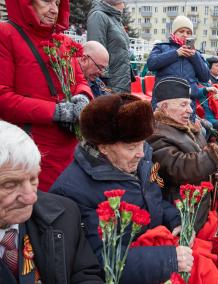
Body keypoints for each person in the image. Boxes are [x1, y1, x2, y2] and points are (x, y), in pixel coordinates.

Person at [50, 94, 200, 284]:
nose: (140, 152)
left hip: (155, 256)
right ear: (103, 148)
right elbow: (96, 258)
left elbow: (153, 198)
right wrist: (167, 259)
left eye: (142, 143)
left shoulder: (137, 159)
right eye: (131, 147)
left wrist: (176, 220)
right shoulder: (72, 191)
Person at [146, 77, 218, 284]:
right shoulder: (156, 135)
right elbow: (183, 168)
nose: (190, 109)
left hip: (204, 203)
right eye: (183, 104)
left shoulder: (186, 126)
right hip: (186, 214)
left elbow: (203, 157)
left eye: (189, 103)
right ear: (164, 107)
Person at [0, 0, 92, 192]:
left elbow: (80, 81)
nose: (54, 10)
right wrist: (56, 111)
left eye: (57, 3)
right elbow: (3, 98)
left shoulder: (61, 40)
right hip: (33, 149)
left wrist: (83, 97)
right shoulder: (6, 34)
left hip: (69, 148)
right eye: (46, 1)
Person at [0, 121, 103, 284]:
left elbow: (85, 274)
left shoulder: (65, 214)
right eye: (10, 185)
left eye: (33, 179)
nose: (31, 198)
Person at [146, 15, 209, 120]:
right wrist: (176, 53)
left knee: (186, 134)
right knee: (161, 131)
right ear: (174, 33)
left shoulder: (196, 53)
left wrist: (194, 57)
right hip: (164, 100)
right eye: (181, 31)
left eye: (188, 32)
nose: (185, 35)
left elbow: (205, 77)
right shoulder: (161, 47)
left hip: (187, 102)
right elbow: (151, 64)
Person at [87, 0, 131, 93]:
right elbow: (96, 51)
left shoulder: (115, 19)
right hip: (109, 82)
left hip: (121, 80)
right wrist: (103, 79)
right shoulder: (98, 16)